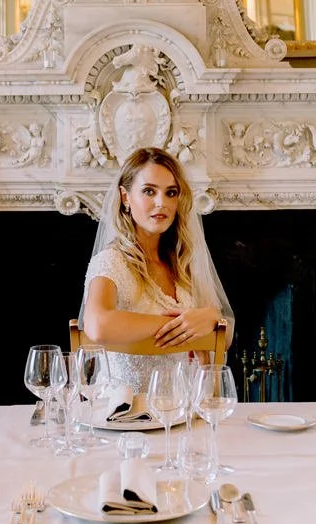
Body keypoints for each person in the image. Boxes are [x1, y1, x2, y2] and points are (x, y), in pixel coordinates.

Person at [80, 146, 232, 394]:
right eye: (149, 191)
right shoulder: (111, 261)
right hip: (125, 420)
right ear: (125, 197)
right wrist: (179, 324)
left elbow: (222, 341)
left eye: (170, 193)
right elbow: (97, 325)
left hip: (181, 414)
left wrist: (212, 316)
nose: (162, 203)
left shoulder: (183, 263)